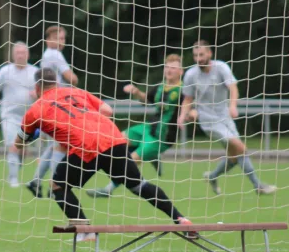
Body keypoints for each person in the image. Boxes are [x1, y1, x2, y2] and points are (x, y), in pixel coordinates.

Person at [14, 68, 195, 241]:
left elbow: (19, 143)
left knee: (58, 186)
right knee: (138, 185)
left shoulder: (35, 110)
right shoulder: (76, 92)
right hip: (112, 138)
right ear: (56, 83)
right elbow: (108, 111)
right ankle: (180, 219)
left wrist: (35, 133)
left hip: (86, 146)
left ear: (37, 88)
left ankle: (85, 231)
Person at [87, 54, 197, 198]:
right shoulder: (160, 87)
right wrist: (136, 91)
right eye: (167, 67)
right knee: (118, 139)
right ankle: (152, 157)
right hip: (148, 128)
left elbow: (191, 107)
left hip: (161, 138)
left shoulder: (184, 91)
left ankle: (108, 190)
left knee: (130, 162)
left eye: (173, 68)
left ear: (181, 71)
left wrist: (191, 115)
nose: (169, 70)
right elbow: (146, 100)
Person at [178, 40, 276, 195]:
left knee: (234, 155)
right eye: (196, 55)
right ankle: (258, 185)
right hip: (208, 120)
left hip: (225, 116)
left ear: (209, 53)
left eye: (201, 54)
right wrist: (183, 115)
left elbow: (233, 87)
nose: (199, 58)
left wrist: (232, 106)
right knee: (240, 148)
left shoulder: (221, 67)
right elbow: (188, 99)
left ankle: (212, 176)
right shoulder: (190, 74)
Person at [26, 25, 78, 197]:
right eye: (58, 38)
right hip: (58, 105)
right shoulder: (55, 54)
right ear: (49, 40)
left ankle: (35, 181)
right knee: (60, 145)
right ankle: (56, 187)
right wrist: (74, 78)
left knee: (53, 145)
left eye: (63, 38)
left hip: (49, 104)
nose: (62, 42)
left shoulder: (46, 55)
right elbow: (72, 78)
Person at [0, 42, 39, 187]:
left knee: (23, 150)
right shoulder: (5, 71)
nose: (20, 55)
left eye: (22, 53)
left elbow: (45, 92)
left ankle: (14, 170)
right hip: (9, 115)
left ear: (27, 54)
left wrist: (36, 93)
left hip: (30, 117)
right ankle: (13, 179)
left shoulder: (35, 72)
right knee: (13, 145)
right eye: (17, 53)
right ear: (13, 55)